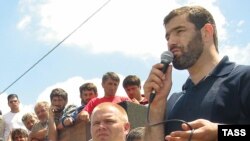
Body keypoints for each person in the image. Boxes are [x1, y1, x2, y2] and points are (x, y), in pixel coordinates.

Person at [143, 5, 250, 141]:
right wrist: (156, 108)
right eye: (168, 37)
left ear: (206, 32)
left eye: (179, 31)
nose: (171, 42)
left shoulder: (244, 78)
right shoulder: (173, 101)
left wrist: (220, 133)